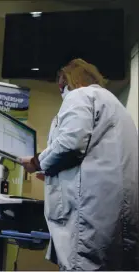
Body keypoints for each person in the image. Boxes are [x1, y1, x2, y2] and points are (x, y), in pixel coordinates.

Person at [21, 59, 138, 270]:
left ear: (64, 82)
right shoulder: (114, 105)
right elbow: (98, 160)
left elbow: (71, 144)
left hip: (90, 216)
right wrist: (55, 176)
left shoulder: (79, 95)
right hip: (116, 216)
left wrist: (37, 162)